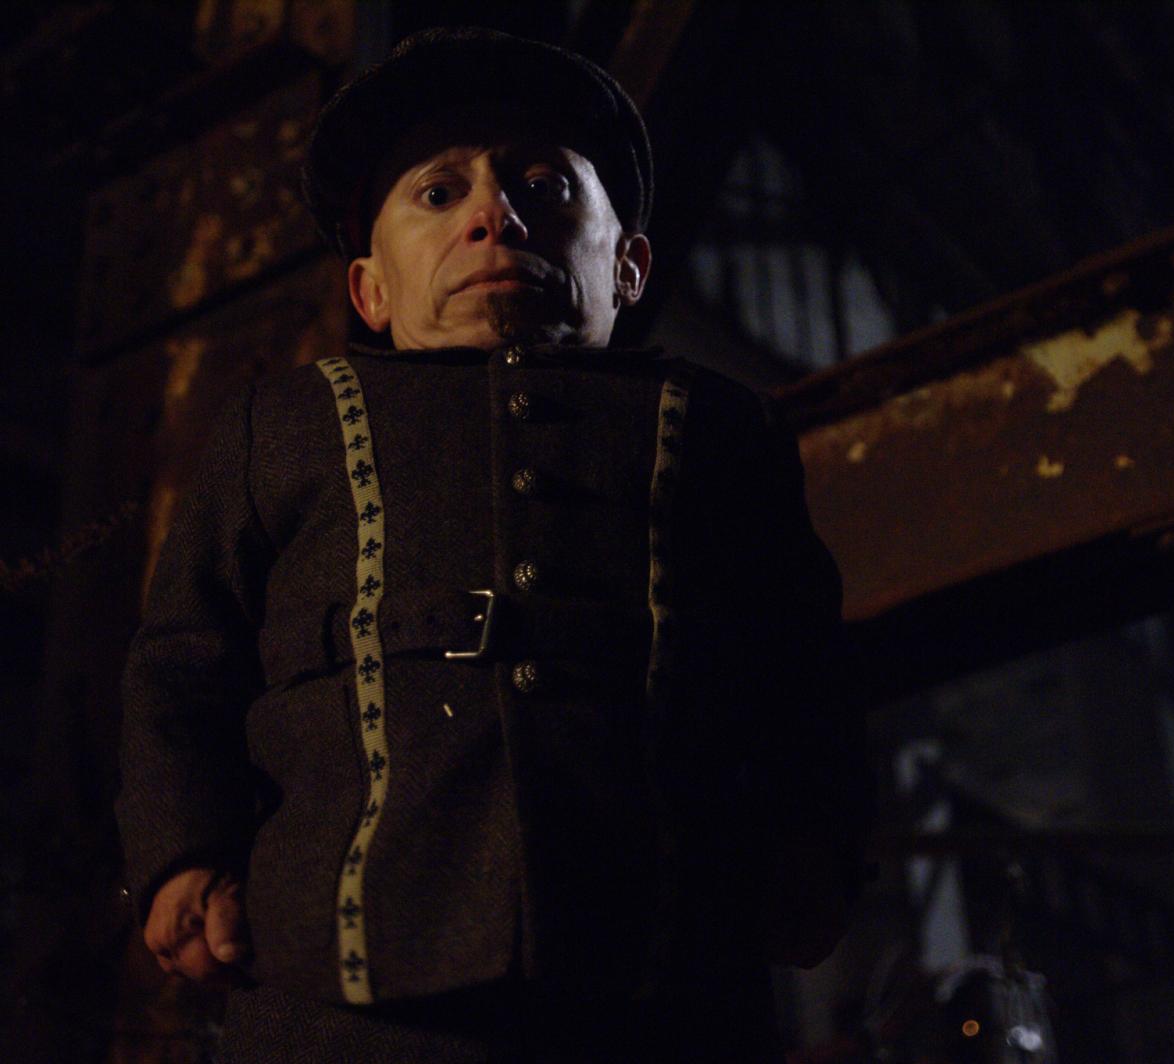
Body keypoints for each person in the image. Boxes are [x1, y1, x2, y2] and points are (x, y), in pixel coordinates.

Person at [115, 27, 874, 1063]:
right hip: (334, 1002)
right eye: (438, 193)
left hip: (666, 989)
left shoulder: (721, 429)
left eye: (544, 188)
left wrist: (816, 848)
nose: (492, 216)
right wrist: (181, 853)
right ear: (371, 290)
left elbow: (804, 669)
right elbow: (183, 659)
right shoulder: (280, 425)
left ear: (629, 265)